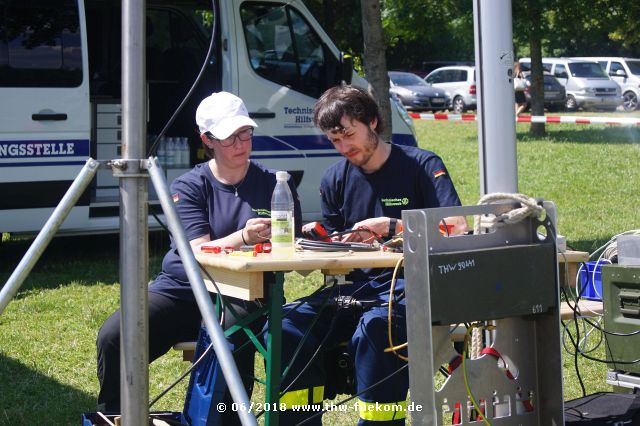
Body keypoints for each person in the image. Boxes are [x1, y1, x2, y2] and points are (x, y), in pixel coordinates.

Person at [96, 91, 302, 423]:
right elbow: (198, 252)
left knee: (234, 336)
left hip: (245, 291)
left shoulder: (276, 184)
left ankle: (225, 419)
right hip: (183, 288)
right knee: (116, 335)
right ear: (207, 139)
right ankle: (115, 416)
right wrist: (245, 237)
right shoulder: (190, 185)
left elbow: (293, 244)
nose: (241, 143)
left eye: (245, 133)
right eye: (229, 136)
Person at [272, 85, 466, 425]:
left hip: (412, 292)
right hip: (351, 291)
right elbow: (333, 249)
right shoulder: (335, 178)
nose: (344, 148)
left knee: (376, 328)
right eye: (335, 141)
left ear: (373, 121)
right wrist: (318, 244)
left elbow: (456, 229)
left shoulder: (422, 164)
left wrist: (392, 227)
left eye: (349, 135)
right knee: (287, 325)